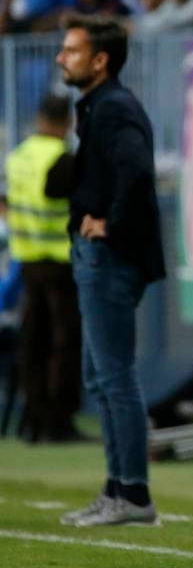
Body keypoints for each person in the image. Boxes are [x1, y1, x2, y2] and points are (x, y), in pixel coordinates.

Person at [55, 15, 165, 527]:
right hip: (98, 257)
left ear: (101, 60)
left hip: (111, 258)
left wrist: (111, 224)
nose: (61, 57)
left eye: (72, 50)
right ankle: (117, 486)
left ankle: (134, 494)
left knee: (115, 377)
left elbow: (138, 170)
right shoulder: (100, 106)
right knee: (99, 378)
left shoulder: (114, 107)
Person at [5, 95, 81, 443]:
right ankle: (57, 421)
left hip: (27, 261)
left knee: (32, 341)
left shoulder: (18, 156)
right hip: (59, 262)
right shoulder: (62, 159)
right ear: (67, 122)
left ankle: (32, 417)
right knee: (63, 343)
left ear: (39, 117)